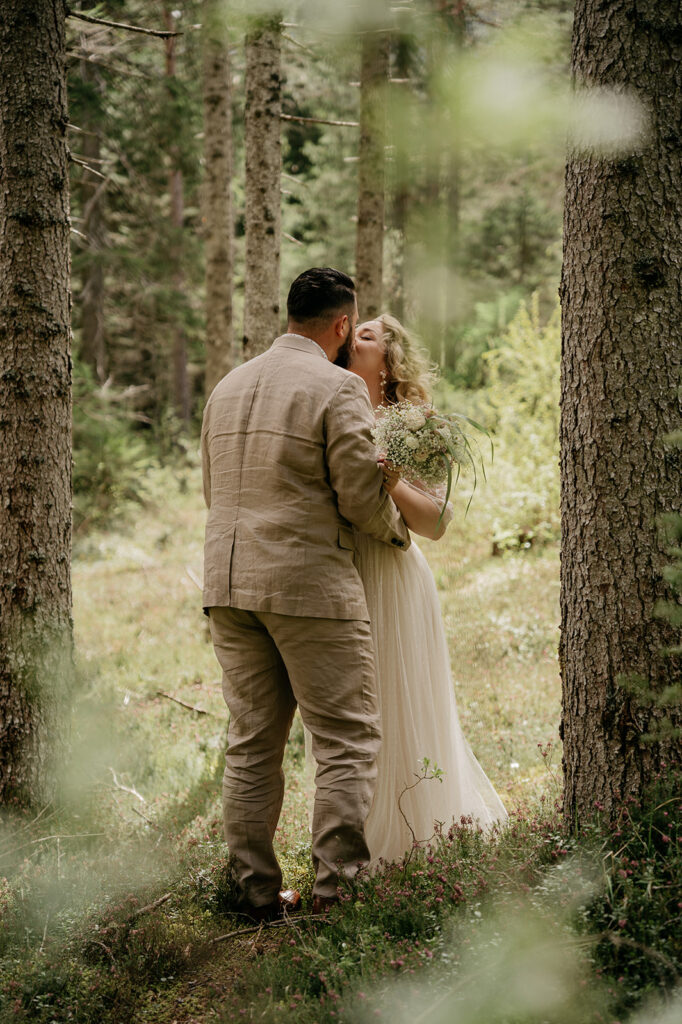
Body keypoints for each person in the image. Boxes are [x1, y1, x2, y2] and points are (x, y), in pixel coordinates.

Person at [201, 269, 410, 920]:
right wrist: (396, 533)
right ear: (342, 325)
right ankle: (336, 897)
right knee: (347, 740)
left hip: (228, 584)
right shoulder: (338, 385)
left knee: (252, 742)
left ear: (292, 313)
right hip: (307, 584)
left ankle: (253, 894)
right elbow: (356, 492)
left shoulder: (228, 386)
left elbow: (214, 488)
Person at [348, 313, 508, 864]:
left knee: (398, 700)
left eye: (365, 335)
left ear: (390, 361)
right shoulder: (328, 403)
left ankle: (413, 834)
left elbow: (436, 523)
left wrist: (392, 482)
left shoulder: (418, 423)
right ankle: (353, 837)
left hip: (393, 574)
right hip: (339, 574)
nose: (350, 337)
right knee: (349, 712)